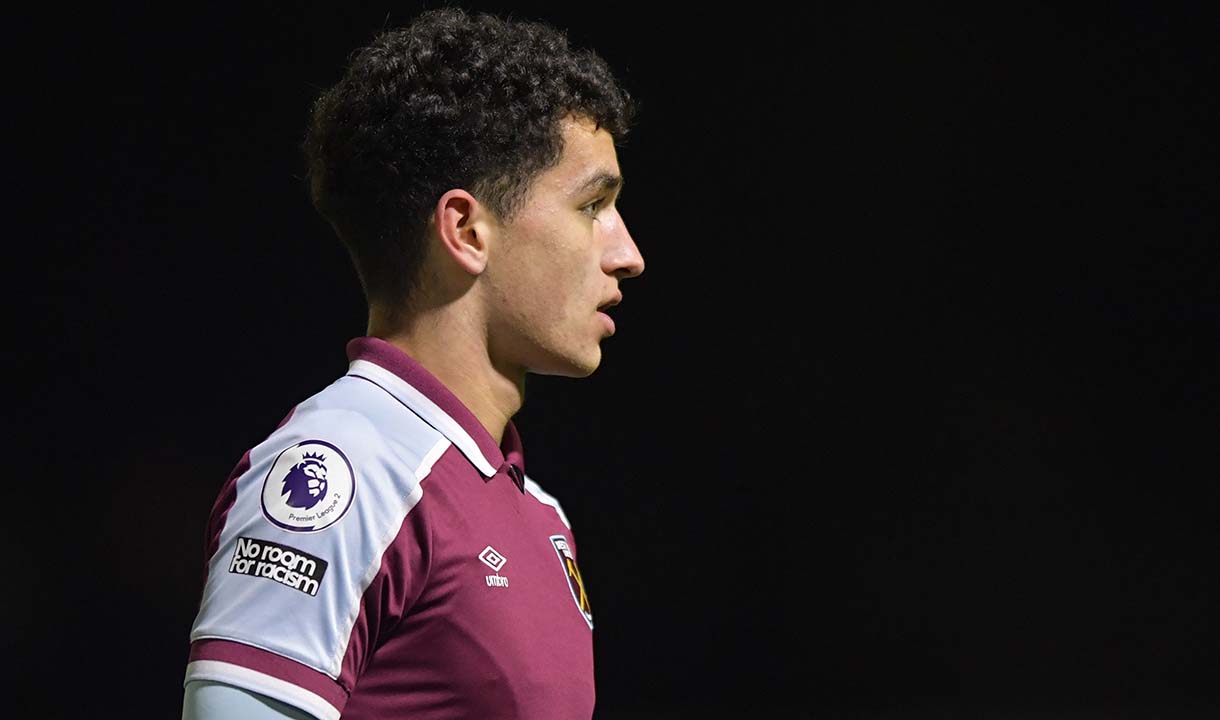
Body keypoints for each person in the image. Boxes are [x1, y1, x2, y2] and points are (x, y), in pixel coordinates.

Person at [181, 7, 643, 719]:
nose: (627, 253)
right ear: (465, 229)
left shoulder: (537, 514)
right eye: (594, 204)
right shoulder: (343, 466)